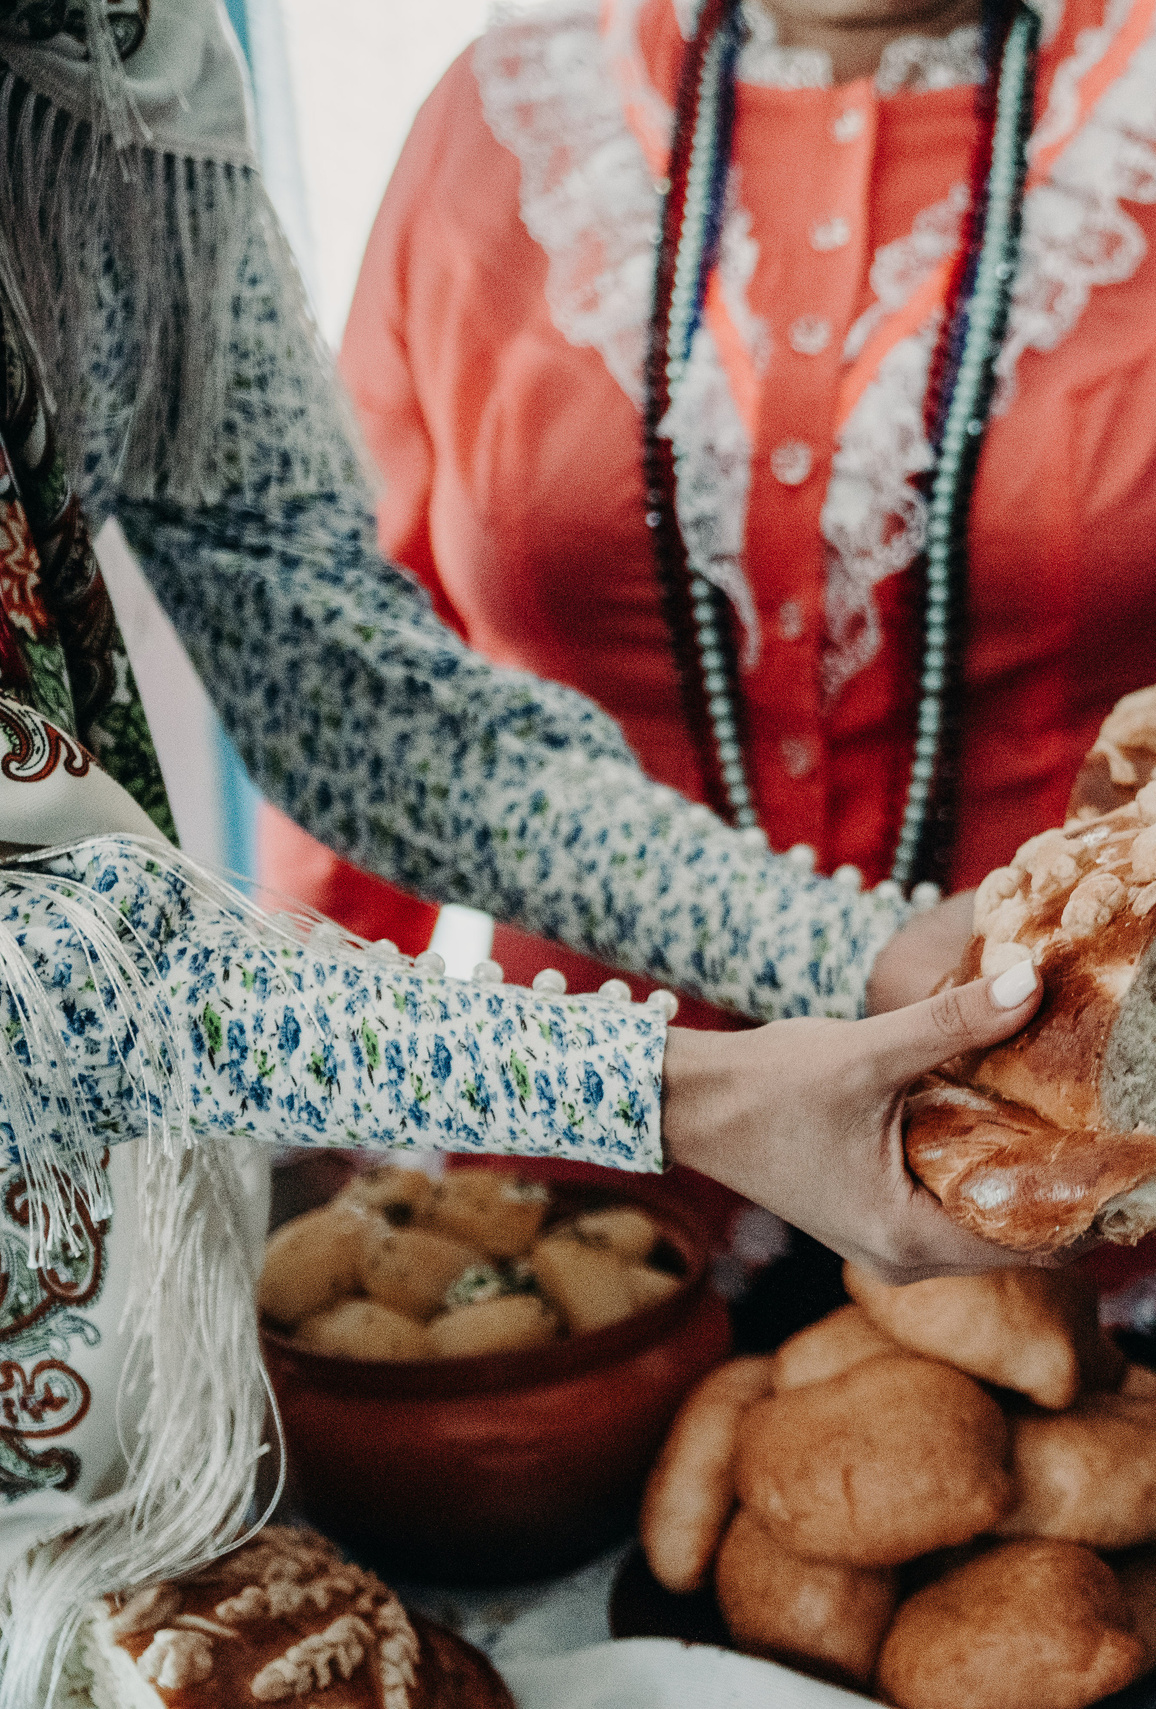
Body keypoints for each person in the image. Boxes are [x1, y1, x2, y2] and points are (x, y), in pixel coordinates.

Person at [258, 0, 1156, 1689]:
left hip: (1147, 1205)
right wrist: (298, 1112)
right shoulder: (500, 120)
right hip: (598, 1236)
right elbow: (354, 667)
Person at [0, 0, 1053, 1697]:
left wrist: (854, 948)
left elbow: (353, 683)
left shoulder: (123, 60)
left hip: (101, 1337)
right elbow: (42, 968)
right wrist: (680, 1090)